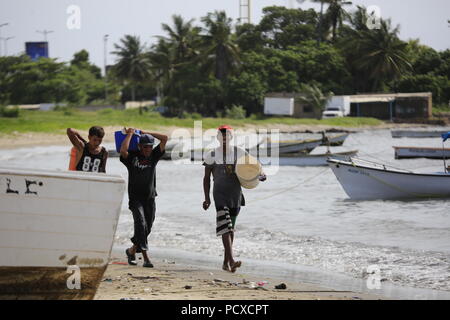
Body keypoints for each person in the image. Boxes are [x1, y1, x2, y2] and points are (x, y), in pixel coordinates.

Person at [202, 125, 266, 272]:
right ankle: (231, 260)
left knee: (231, 229)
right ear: (218, 138)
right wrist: (206, 198)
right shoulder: (211, 155)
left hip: (235, 195)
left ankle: (225, 263)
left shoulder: (240, 152)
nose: (224, 139)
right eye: (222, 136)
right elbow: (206, 178)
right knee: (226, 226)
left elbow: (256, 166)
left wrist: (262, 175)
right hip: (219, 194)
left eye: (227, 136)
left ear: (231, 137)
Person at [120, 128, 168, 268]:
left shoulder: (154, 156)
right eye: (145, 146)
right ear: (140, 146)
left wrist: (146, 132)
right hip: (135, 199)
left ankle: (131, 251)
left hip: (150, 198)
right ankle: (146, 258)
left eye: (150, 146)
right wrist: (130, 134)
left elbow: (164, 137)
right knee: (141, 224)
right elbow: (123, 151)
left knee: (147, 227)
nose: (148, 149)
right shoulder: (133, 158)